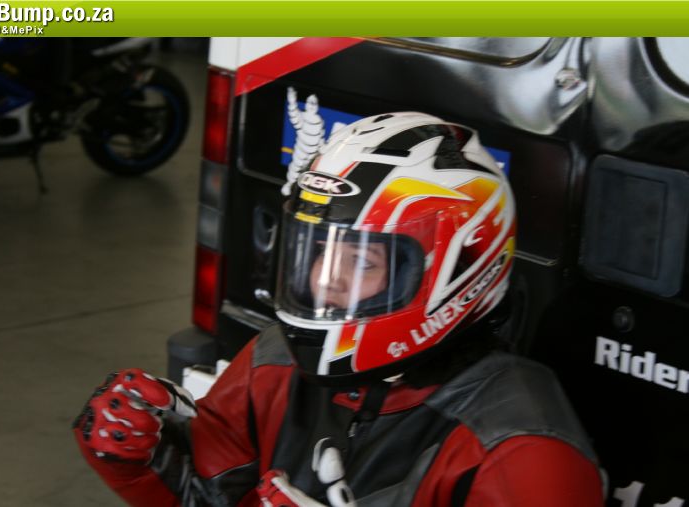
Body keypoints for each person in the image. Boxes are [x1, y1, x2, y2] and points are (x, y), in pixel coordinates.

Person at [73, 112, 605, 506]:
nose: (325, 282)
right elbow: (215, 495)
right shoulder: (275, 360)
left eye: (361, 261)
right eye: (319, 253)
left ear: (456, 269)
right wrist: (146, 459)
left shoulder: (522, 447)